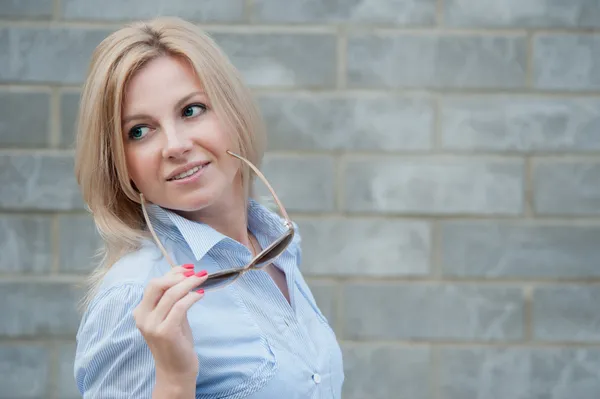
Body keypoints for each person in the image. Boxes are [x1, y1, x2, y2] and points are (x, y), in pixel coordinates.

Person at [72, 17, 344, 399]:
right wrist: (174, 380)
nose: (175, 145)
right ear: (121, 165)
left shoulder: (277, 247)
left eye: (191, 110)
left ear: (234, 114)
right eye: (140, 130)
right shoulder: (134, 297)